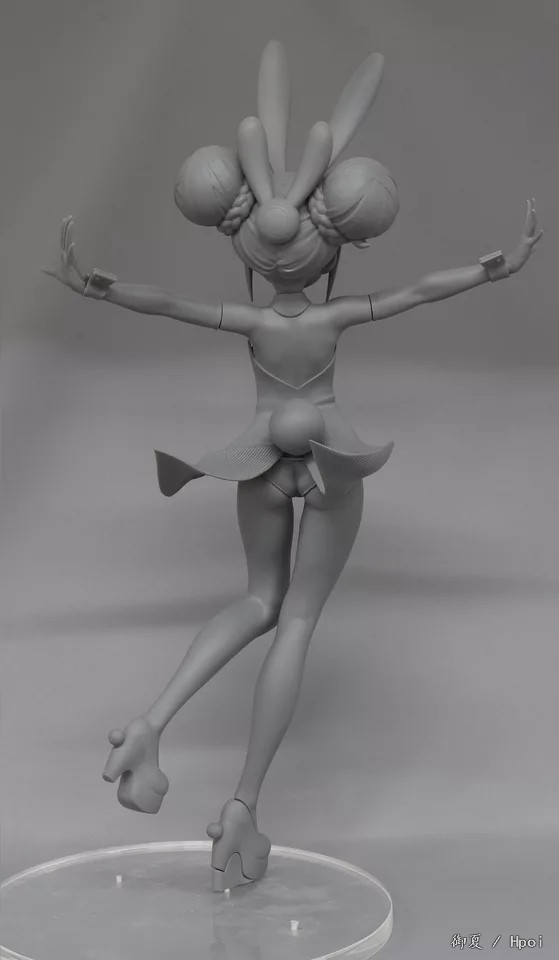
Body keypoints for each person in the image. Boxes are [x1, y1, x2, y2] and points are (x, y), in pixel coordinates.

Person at [44, 42, 542, 890]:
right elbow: (419, 291)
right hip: (329, 459)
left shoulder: (248, 321)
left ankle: (151, 721)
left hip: (258, 461)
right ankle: (242, 802)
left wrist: (101, 287)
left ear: (242, 244)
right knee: (298, 621)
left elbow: (171, 306)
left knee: (255, 601)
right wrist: (493, 268)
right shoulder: (335, 315)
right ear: (335, 247)